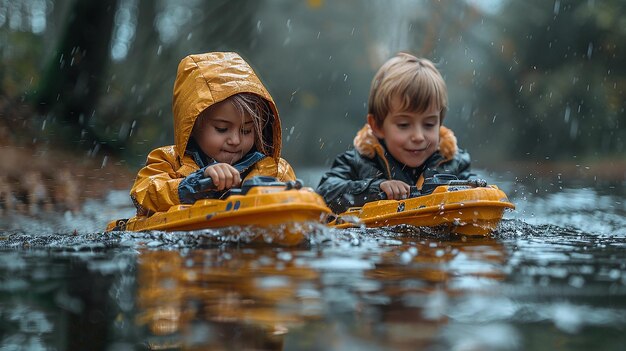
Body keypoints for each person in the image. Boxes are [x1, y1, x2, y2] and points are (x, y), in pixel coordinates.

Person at [130, 52, 295, 216]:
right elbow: (144, 195)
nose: (235, 140)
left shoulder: (276, 170)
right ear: (192, 127)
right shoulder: (167, 161)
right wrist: (195, 183)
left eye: (246, 131)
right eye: (222, 129)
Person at [317, 52, 473, 214]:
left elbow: (482, 193)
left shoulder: (454, 163)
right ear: (377, 126)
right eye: (404, 125)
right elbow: (324, 192)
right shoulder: (358, 162)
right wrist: (376, 189)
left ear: (440, 124)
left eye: (429, 124)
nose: (419, 137)